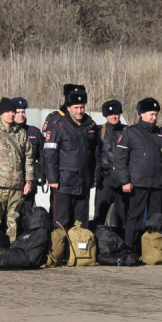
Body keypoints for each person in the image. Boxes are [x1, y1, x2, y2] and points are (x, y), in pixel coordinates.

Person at [111, 98, 162, 247]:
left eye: (156, 114)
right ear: (141, 114)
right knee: (134, 218)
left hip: (157, 184)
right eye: (151, 114)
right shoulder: (130, 133)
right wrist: (125, 181)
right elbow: (119, 159)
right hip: (137, 184)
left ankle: (153, 249)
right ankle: (131, 248)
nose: (154, 117)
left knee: (156, 219)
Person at [0, 97, 34, 243]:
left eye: (12, 112)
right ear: (1, 113)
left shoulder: (21, 133)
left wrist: (28, 181)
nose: (11, 114)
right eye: (7, 112)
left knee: (13, 221)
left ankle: (11, 251)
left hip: (16, 186)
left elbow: (28, 158)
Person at [42, 87, 99, 229]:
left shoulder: (90, 125)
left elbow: (96, 154)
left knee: (81, 223)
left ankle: (79, 251)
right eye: (76, 107)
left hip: (83, 182)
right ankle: (60, 250)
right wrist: (53, 178)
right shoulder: (58, 125)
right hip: (63, 183)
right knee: (61, 223)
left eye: (82, 107)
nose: (79, 111)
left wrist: (95, 177)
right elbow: (50, 154)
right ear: (68, 108)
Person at [96, 99, 126, 228]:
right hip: (105, 179)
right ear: (106, 115)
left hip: (122, 179)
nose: (114, 116)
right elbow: (96, 154)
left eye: (117, 114)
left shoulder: (127, 131)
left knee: (123, 216)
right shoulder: (99, 132)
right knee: (99, 216)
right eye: (111, 114)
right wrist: (109, 165)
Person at [12, 97, 43, 216]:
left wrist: (41, 176)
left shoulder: (34, 132)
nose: (21, 115)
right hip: (12, 181)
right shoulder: (7, 133)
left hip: (29, 181)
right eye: (18, 112)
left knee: (28, 214)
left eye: (23, 112)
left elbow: (42, 157)